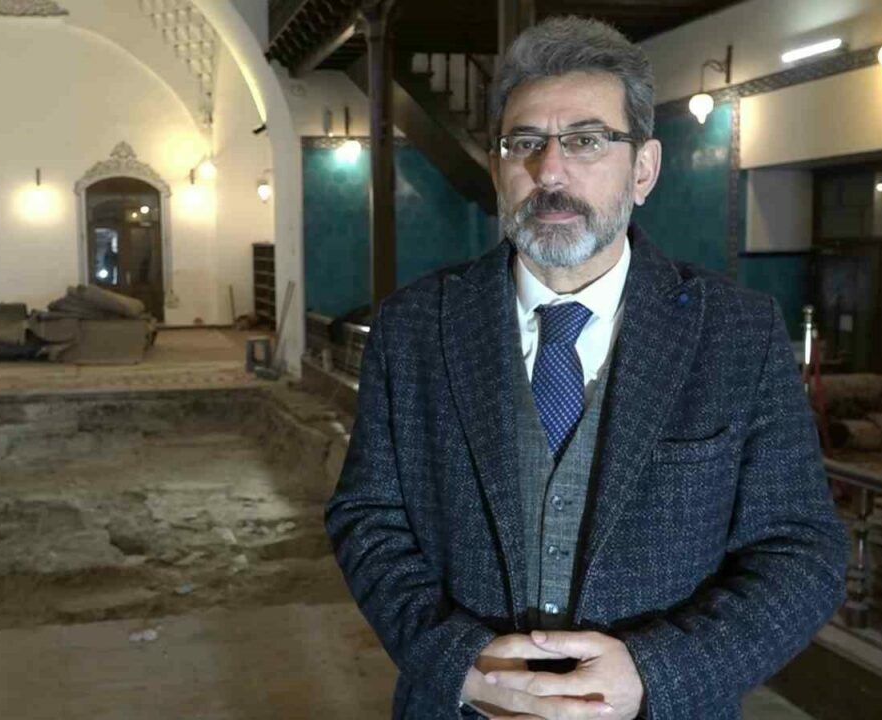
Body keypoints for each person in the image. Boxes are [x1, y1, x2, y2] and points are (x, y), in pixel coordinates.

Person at [325, 17, 847, 720]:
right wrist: (457, 662)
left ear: (644, 169)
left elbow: (803, 551)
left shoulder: (736, 333)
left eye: (586, 140)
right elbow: (367, 517)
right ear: (498, 168)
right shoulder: (414, 327)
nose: (550, 172)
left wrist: (657, 674)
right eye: (525, 143)